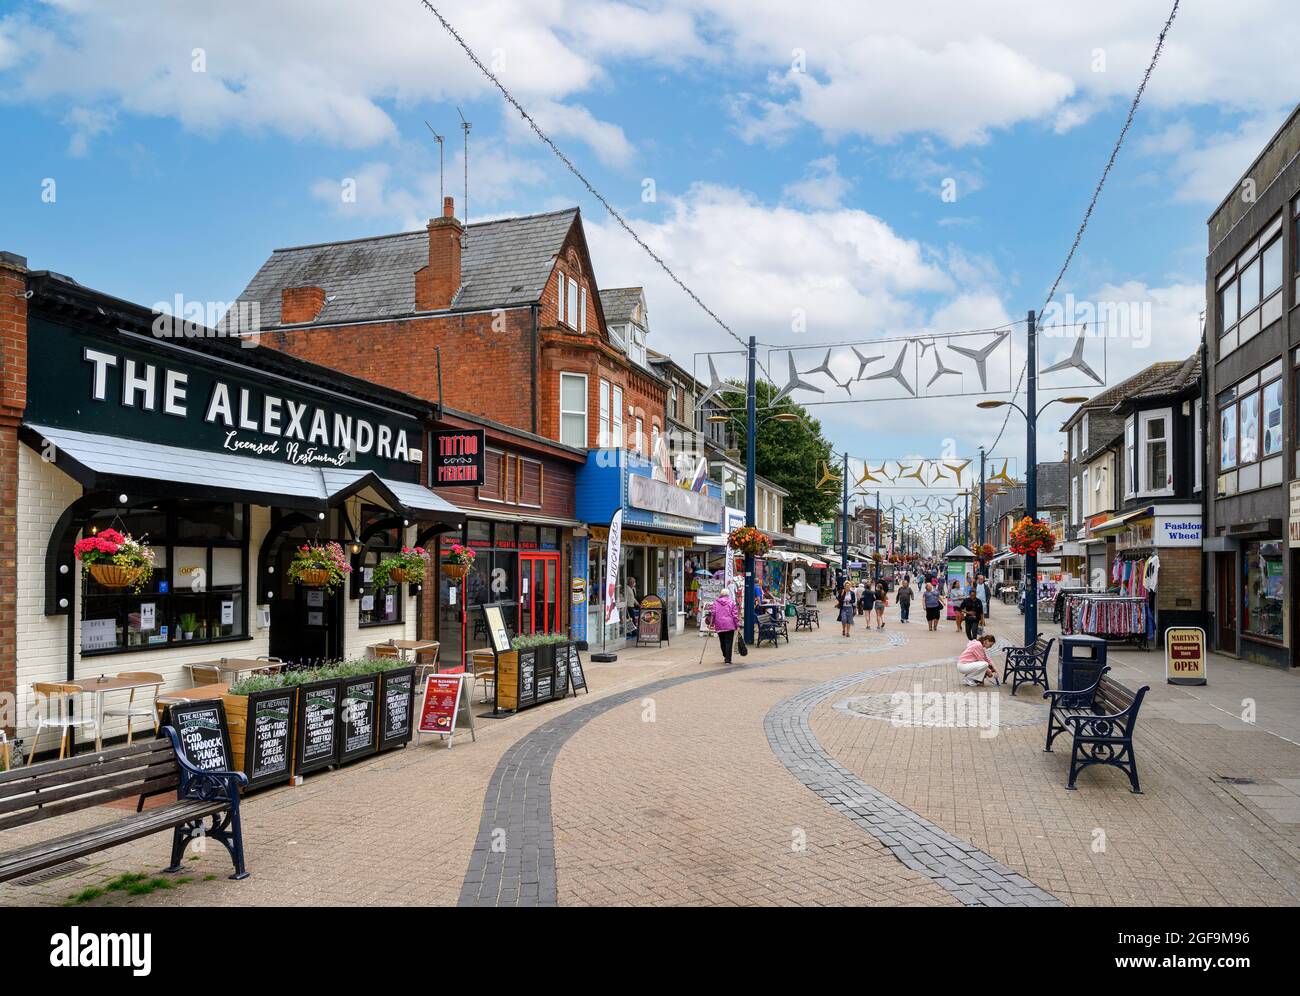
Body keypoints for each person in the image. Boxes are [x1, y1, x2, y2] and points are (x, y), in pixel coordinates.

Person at [710, 586, 739, 663]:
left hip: (719, 625)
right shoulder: (731, 602)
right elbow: (735, 615)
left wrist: (711, 623)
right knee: (729, 642)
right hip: (730, 625)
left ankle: (725, 655)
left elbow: (713, 613)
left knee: (722, 641)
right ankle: (728, 659)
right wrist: (737, 625)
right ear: (728, 594)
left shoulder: (716, 602)